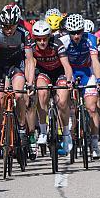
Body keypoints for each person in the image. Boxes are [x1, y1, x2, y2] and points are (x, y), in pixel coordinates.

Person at [0, 4, 34, 160]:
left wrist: (30, 82)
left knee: (18, 95)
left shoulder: (23, 33)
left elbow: (30, 60)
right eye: (5, 26)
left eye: (12, 26)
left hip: (16, 65)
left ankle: (22, 128)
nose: (9, 30)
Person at [62, 13, 100, 159]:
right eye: (73, 33)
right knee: (70, 108)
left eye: (79, 32)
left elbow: (95, 60)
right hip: (70, 74)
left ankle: (94, 142)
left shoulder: (90, 39)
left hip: (88, 73)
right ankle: (70, 135)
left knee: (92, 108)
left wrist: (99, 79)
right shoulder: (63, 41)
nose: (76, 36)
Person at [29, 20, 72, 155]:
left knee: (62, 101)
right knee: (41, 94)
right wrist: (30, 83)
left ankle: (66, 133)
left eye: (44, 39)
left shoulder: (56, 44)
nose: (42, 42)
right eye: (39, 39)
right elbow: (30, 65)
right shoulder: (31, 46)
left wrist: (69, 81)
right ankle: (42, 131)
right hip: (44, 72)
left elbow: (66, 65)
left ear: (49, 37)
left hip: (59, 72)